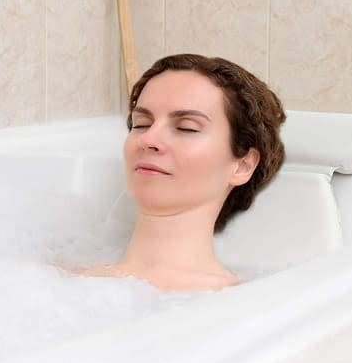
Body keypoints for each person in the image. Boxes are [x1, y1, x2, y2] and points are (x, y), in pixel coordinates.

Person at [65, 54, 286, 291]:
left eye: (186, 127)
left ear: (243, 166)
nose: (148, 139)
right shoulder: (55, 280)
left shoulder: (237, 306)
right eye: (141, 124)